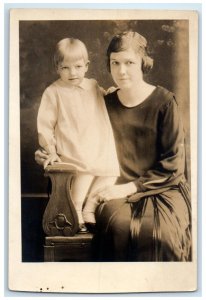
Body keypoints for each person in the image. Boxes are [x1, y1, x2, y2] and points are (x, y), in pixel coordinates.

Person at [35, 31, 192, 261]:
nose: (121, 71)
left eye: (129, 62)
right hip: (109, 188)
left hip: (162, 188)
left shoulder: (165, 102)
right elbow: (72, 128)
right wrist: (47, 151)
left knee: (162, 234)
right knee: (119, 226)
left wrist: (129, 188)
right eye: (115, 63)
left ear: (143, 63)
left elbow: (173, 164)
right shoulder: (102, 101)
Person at [37, 37, 120, 232]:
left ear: (86, 66)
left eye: (77, 66)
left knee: (111, 173)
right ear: (57, 68)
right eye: (65, 68)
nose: (72, 72)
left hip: (98, 145)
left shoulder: (92, 85)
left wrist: (111, 93)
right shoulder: (53, 92)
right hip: (73, 146)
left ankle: (90, 206)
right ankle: (76, 211)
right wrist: (50, 150)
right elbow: (45, 125)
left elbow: (103, 95)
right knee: (85, 172)